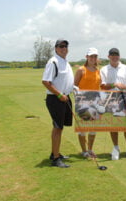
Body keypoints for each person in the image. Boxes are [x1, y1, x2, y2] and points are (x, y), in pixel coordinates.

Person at [100, 48, 126, 160]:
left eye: (116, 55)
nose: (114, 57)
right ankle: (116, 148)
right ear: (108, 56)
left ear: (119, 56)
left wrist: (125, 87)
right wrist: (114, 84)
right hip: (110, 99)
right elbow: (102, 85)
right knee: (114, 125)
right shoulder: (104, 69)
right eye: (112, 55)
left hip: (124, 99)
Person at [42, 39, 74, 168]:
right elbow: (45, 81)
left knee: (60, 127)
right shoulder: (53, 62)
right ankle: (55, 159)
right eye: (60, 46)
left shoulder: (65, 62)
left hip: (65, 98)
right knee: (57, 127)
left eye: (65, 46)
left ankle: (55, 153)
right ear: (55, 48)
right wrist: (60, 95)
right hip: (56, 99)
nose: (63, 48)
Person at [74, 47, 101, 158]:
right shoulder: (81, 70)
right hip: (83, 103)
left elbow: (99, 86)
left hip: (95, 103)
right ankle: (84, 151)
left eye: (95, 56)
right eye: (91, 56)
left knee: (93, 129)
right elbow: (74, 85)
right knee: (83, 130)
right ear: (87, 57)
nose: (93, 58)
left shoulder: (98, 71)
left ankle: (90, 149)